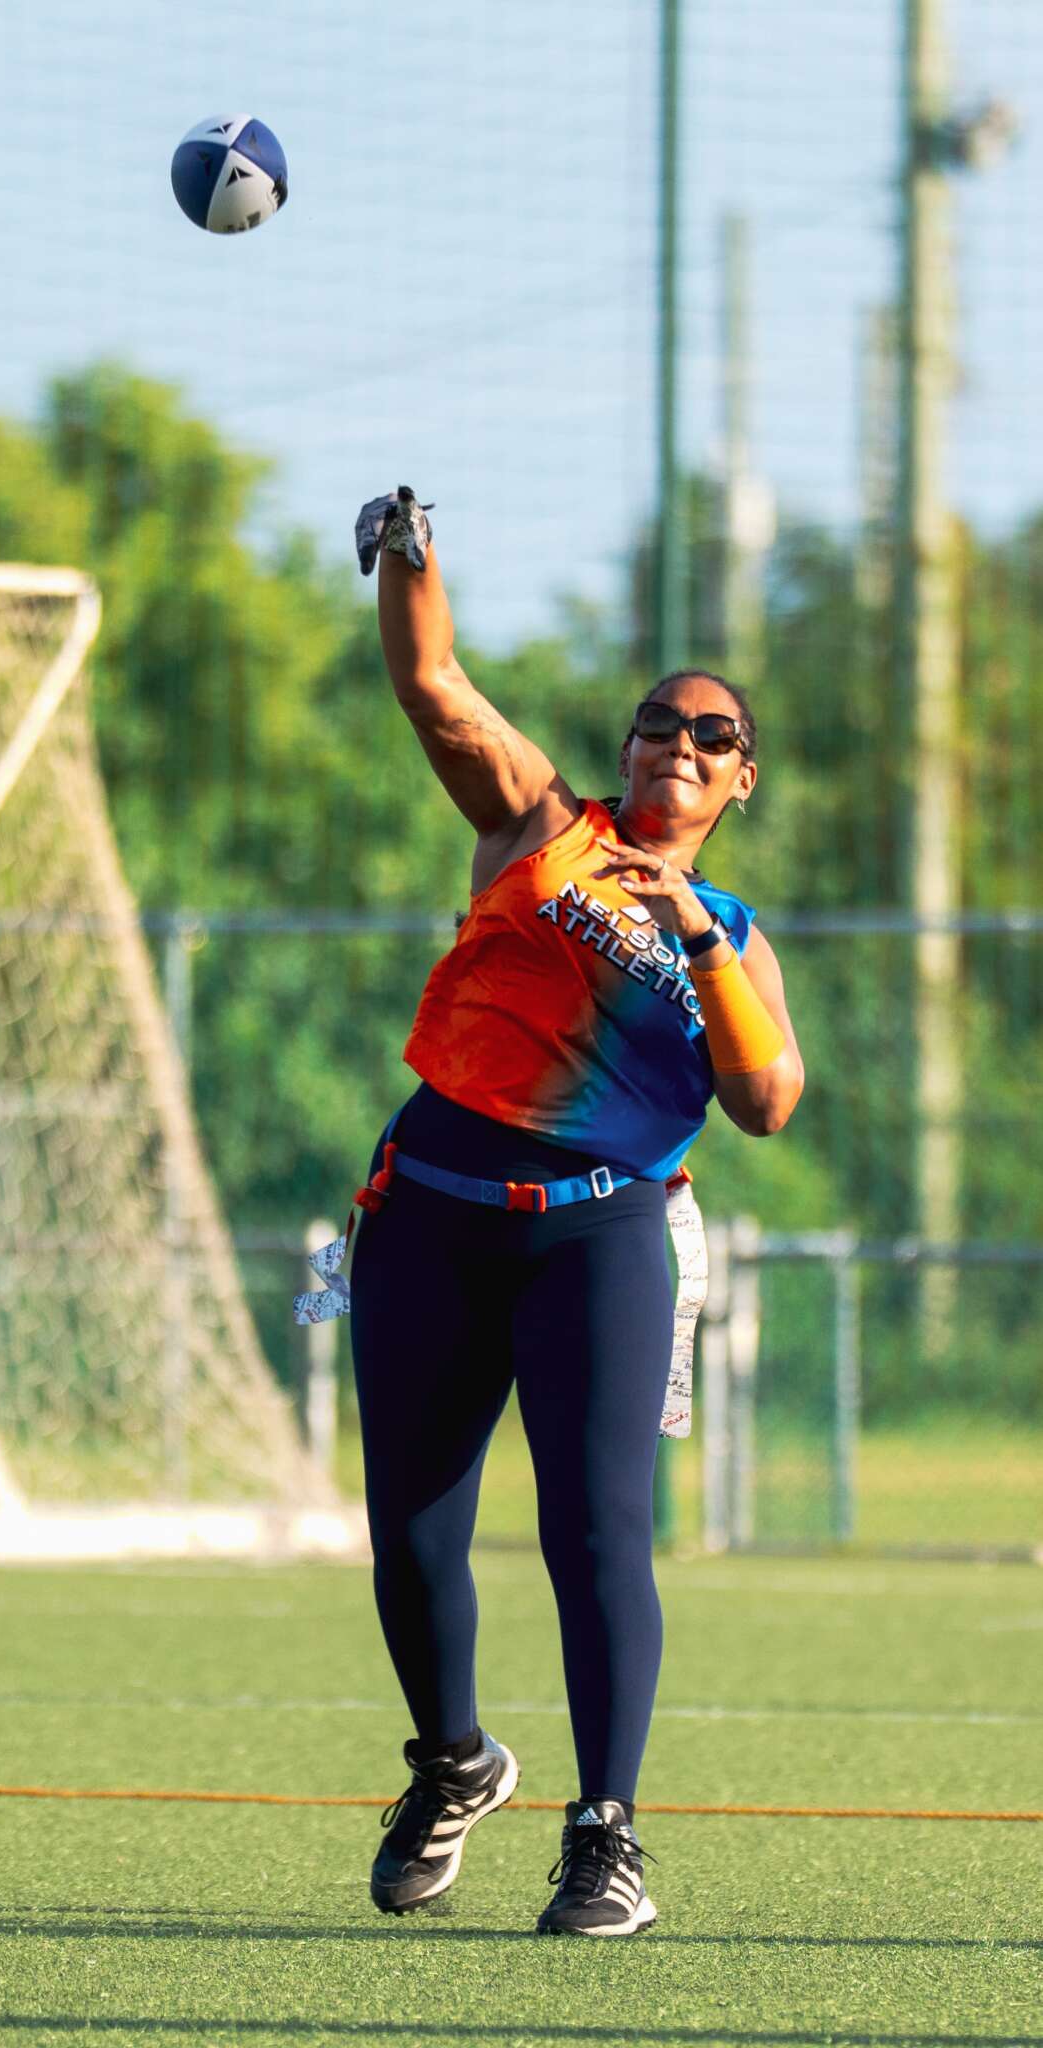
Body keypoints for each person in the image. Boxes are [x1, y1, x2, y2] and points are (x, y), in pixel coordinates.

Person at [346, 488, 804, 1935]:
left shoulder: (732, 938)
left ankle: (605, 1835)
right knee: (409, 1535)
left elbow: (766, 1101)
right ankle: (450, 1762)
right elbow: (431, 684)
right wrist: (409, 559)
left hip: (596, 1238)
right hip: (428, 1212)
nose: (678, 746)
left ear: (741, 784)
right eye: (657, 726)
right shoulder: (539, 828)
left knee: (595, 1533)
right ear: (625, 753)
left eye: (710, 737)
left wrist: (696, 944)